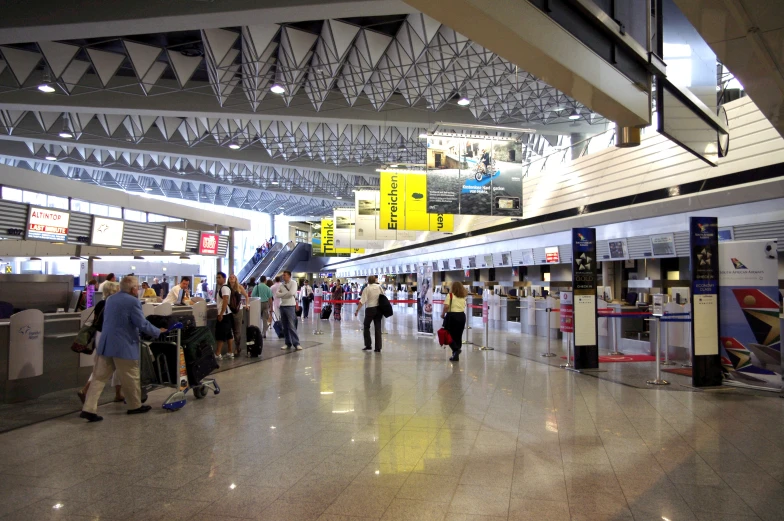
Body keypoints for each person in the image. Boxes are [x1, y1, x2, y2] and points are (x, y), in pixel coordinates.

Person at [80, 276, 167, 422]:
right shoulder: (133, 302)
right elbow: (142, 324)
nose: (138, 289)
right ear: (133, 289)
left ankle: (88, 409)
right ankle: (134, 406)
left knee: (98, 378)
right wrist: (158, 331)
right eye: (137, 287)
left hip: (106, 344)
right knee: (130, 377)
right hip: (124, 346)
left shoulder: (110, 299)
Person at [78, 281, 124, 404]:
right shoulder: (115, 305)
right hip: (111, 337)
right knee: (106, 366)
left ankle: (118, 394)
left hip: (99, 336)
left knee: (107, 365)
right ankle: (86, 390)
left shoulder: (100, 304)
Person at [355, 275, 384, 352]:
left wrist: (357, 310)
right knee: (378, 328)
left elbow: (362, 301)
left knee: (366, 326)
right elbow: (383, 297)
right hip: (378, 309)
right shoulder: (379, 287)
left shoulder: (367, 289)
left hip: (370, 309)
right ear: (374, 280)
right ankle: (378, 347)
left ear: (368, 281)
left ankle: (368, 345)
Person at [440, 281, 468, 362]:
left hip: (452, 316)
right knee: (458, 335)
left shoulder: (450, 295)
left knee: (448, 334)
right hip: (461, 316)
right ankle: (455, 355)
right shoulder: (463, 297)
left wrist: (442, 314)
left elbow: (446, 306)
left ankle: (456, 350)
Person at [276, 270, 301, 350]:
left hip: (290, 306)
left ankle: (296, 343)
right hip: (282, 306)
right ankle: (287, 343)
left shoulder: (293, 283)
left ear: (289, 276)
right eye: (283, 275)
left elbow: (292, 293)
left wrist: (282, 295)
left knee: (291, 325)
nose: (283, 277)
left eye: (285, 275)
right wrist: (285, 295)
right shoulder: (282, 285)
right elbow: (277, 294)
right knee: (285, 326)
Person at [214, 272, 234, 360]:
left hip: (224, 314)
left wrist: (221, 313)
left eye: (219, 277)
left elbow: (225, 300)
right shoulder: (224, 288)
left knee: (221, 334)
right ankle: (230, 352)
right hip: (227, 314)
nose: (217, 279)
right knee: (228, 333)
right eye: (217, 277)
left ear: (224, 279)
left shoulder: (224, 288)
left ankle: (218, 353)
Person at [228, 273, 248, 356]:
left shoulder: (239, 287)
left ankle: (237, 347)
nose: (232, 278)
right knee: (230, 329)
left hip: (238, 310)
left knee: (237, 330)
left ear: (236, 279)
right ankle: (230, 349)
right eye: (230, 277)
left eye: (233, 277)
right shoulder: (226, 288)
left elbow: (246, 296)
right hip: (229, 311)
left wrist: (246, 305)